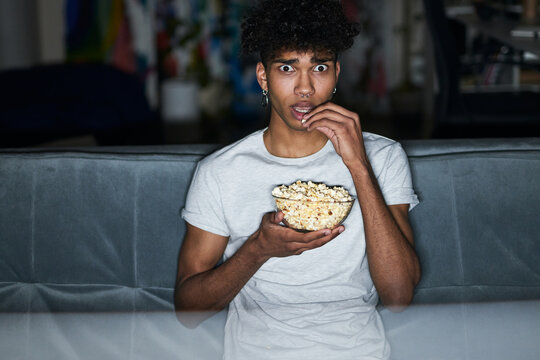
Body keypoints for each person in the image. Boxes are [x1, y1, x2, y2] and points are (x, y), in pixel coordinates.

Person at [175, 0, 421, 358]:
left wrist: (358, 166)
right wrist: (258, 249)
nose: (305, 88)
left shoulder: (381, 157)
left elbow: (398, 297)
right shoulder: (220, 171)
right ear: (264, 76)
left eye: (319, 67)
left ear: (336, 74)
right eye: (287, 68)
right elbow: (187, 311)